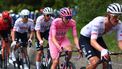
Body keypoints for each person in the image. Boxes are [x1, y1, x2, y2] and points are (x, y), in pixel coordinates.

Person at [79, 3, 122, 69]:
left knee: (106, 61)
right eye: (115, 16)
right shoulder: (98, 22)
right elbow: (92, 41)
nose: (117, 18)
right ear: (108, 15)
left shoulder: (119, 24)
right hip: (85, 38)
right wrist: (102, 50)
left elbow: (120, 42)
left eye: (119, 15)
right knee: (95, 61)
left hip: (97, 38)